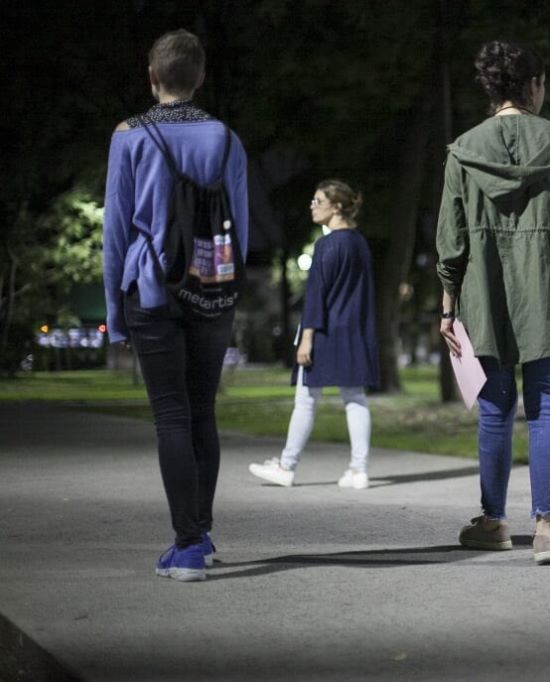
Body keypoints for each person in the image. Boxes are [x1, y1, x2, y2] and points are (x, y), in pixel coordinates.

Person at [436, 41, 550, 565]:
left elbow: (453, 238)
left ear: (491, 89)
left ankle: (492, 521)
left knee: (494, 407)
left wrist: (447, 306)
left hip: (483, 292)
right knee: (546, 404)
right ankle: (546, 528)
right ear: (533, 85)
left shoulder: (463, 150)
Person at [102, 29, 249, 581]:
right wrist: (228, 291)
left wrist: (116, 311)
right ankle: (201, 535)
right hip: (212, 288)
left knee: (171, 413)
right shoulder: (227, 138)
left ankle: (186, 545)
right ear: (200, 77)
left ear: (152, 77)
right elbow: (241, 225)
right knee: (202, 409)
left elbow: (115, 228)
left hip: (151, 289)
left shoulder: (129, 135)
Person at [249, 180, 379, 489]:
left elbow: (316, 297)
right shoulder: (360, 243)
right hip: (353, 331)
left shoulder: (326, 245)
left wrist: (306, 338)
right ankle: (358, 470)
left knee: (306, 400)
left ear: (336, 207)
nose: (312, 206)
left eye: (317, 200)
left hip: (324, 332)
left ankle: (286, 466)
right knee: (355, 398)